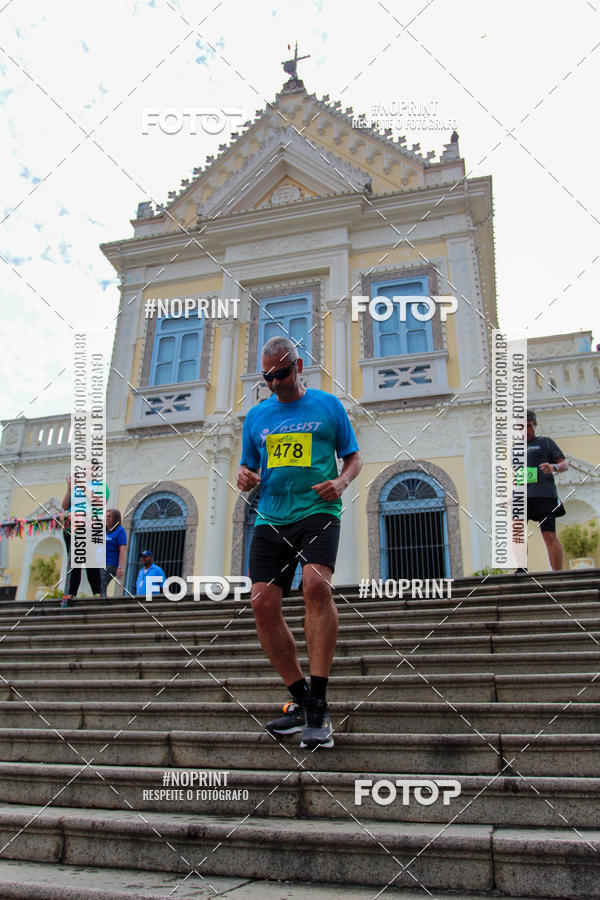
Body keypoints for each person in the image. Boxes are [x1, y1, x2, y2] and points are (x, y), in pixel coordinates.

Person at [237, 336, 362, 749]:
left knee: (314, 586)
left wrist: (341, 482)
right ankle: (302, 701)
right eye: (267, 376)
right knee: (261, 603)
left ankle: (319, 703)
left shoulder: (328, 406)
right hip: (271, 517)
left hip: (318, 513)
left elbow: (353, 457)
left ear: (300, 365)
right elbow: (247, 466)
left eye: (282, 373)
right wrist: (244, 477)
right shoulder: (256, 417)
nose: (275, 382)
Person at [517, 409, 568, 572]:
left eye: (529, 426)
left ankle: (557, 573)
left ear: (535, 425)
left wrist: (552, 467)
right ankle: (521, 568)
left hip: (544, 495)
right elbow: (517, 475)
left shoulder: (546, 442)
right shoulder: (515, 449)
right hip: (523, 496)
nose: (526, 429)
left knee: (549, 535)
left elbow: (564, 464)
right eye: (522, 426)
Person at [60, 474, 103, 607]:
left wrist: (83, 486)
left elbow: (99, 502)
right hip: (71, 525)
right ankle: (71, 593)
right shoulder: (74, 488)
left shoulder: (98, 485)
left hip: (88, 524)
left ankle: (97, 592)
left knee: (90, 560)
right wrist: (69, 488)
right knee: (73, 561)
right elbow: (65, 506)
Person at [103, 509, 127, 596]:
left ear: (116, 519)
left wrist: (120, 567)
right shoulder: (104, 532)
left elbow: (122, 549)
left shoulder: (120, 531)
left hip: (111, 564)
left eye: (109, 516)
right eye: (106, 516)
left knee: (102, 581)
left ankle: (101, 603)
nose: (107, 518)